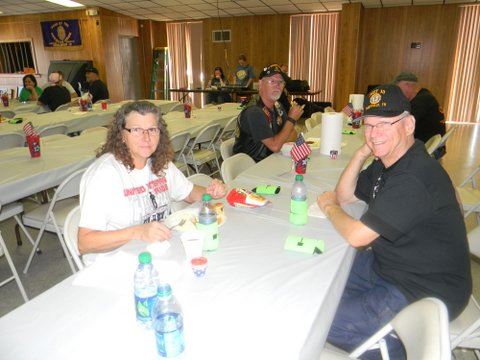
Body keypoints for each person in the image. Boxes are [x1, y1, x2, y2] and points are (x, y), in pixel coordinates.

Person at [317, 84, 471, 359]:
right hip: (390, 266)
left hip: (423, 290)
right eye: (369, 125)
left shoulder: (413, 176)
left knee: (317, 319)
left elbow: (356, 235)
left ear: (409, 124)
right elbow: (346, 195)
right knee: (320, 279)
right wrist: (361, 153)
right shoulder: (390, 160)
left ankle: (403, 345)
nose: (375, 134)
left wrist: (329, 208)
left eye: (385, 124)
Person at [78, 101, 226, 265]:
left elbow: (189, 193)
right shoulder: (104, 175)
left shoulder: (159, 163)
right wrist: (137, 232)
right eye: (136, 130)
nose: (146, 137)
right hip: (115, 262)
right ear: (121, 135)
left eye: (152, 130)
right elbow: (85, 242)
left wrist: (211, 191)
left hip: (158, 251)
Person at [233, 64, 304, 162]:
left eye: (281, 82)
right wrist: (291, 119)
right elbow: (275, 146)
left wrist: (279, 140)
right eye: (272, 81)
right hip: (251, 167)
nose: (277, 85)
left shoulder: (278, 106)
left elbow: (292, 133)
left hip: (271, 160)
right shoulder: (254, 111)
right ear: (261, 84)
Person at [393, 72, 446, 157]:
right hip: (432, 146)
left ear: (408, 85)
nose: (397, 94)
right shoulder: (424, 96)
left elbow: (403, 126)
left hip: (429, 150)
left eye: (398, 89)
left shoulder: (420, 101)